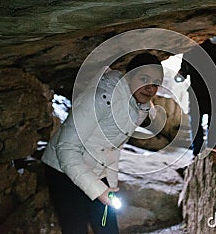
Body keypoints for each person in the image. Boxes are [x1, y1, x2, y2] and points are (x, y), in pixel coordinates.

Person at [42, 53, 164, 234]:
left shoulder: (138, 107)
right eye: (143, 79)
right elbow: (66, 148)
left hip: (96, 168)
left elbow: (113, 146)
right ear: (129, 76)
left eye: (155, 83)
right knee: (75, 228)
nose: (149, 88)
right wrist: (100, 191)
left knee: (108, 228)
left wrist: (112, 185)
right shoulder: (101, 99)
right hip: (62, 170)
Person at [175, 39, 216, 156]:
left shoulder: (191, 51)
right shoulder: (212, 50)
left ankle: (199, 151)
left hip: (204, 93)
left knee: (201, 122)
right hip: (209, 93)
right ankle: (208, 151)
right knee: (211, 122)